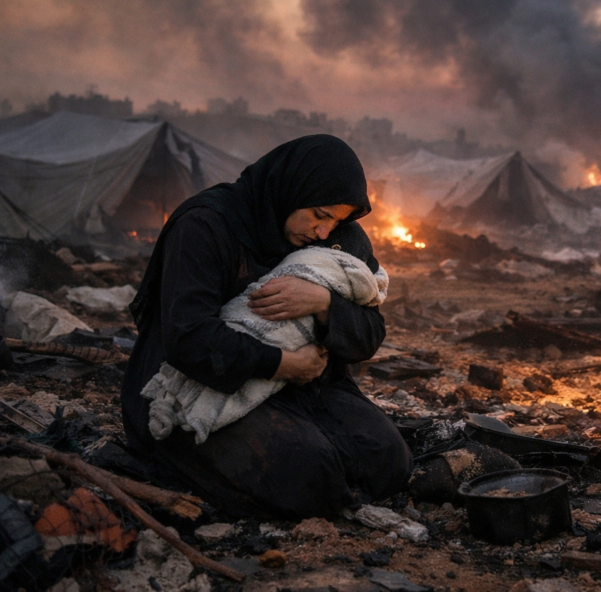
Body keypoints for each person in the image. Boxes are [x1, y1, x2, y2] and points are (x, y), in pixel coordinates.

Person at [122, 135, 412, 519]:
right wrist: (282, 363)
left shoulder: (339, 240)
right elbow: (188, 338)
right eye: (320, 215)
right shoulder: (208, 225)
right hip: (202, 385)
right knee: (308, 471)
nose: (324, 233)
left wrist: (324, 304)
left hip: (301, 386)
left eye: (337, 221)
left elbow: (371, 333)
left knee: (389, 460)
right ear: (292, 189)